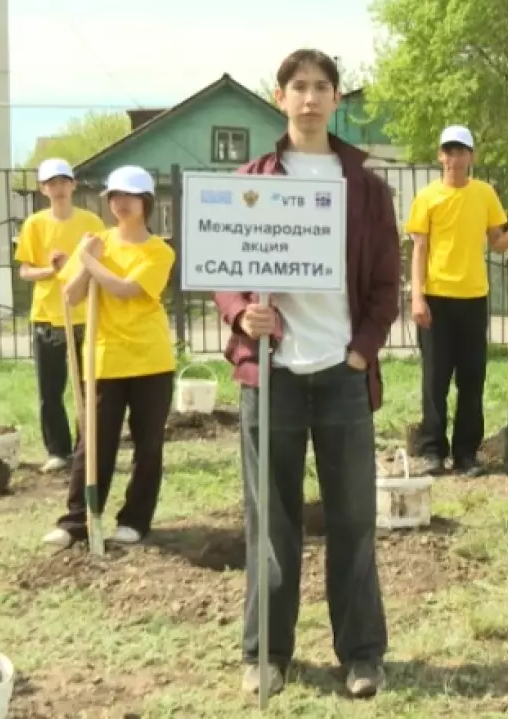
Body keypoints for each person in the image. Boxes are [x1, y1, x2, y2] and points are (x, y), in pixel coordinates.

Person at [212, 49, 400, 700]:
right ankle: (266, 653)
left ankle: (363, 654)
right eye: (300, 87)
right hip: (272, 378)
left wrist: (360, 351)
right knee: (272, 523)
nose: (311, 98)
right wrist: (242, 319)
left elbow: (385, 285)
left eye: (323, 87)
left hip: (342, 377)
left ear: (337, 98)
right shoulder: (253, 179)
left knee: (352, 520)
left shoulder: (366, 187)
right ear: (280, 96)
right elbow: (226, 274)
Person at [43, 165, 176, 550]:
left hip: (150, 361)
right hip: (103, 360)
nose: (120, 203)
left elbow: (123, 289)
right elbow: (70, 296)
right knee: (93, 443)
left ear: (145, 201)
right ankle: (76, 522)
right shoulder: (98, 242)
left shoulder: (158, 250)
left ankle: (134, 520)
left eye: (128, 196)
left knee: (147, 443)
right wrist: (86, 262)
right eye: (114, 197)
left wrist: (88, 260)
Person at [406, 125, 508, 477]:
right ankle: (432, 452)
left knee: (472, 379)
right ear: (440, 156)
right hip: (436, 299)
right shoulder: (427, 198)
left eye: (461, 151)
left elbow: (497, 243)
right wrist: (417, 297)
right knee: (435, 380)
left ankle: (466, 455)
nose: (454, 158)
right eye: (448, 151)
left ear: (471, 157)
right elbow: (418, 250)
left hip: (474, 298)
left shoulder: (485, 195)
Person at [14, 158, 105, 473]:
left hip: (85, 315)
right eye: (51, 183)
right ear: (43, 189)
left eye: (63, 181)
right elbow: (25, 271)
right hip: (47, 316)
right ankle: (57, 450)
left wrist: (80, 265)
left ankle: (87, 447)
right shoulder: (35, 225)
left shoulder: (91, 221)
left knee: (88, 384)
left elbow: (103, 263)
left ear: (73, 185)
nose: (58, 188)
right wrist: (51, 270)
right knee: (50, 388)